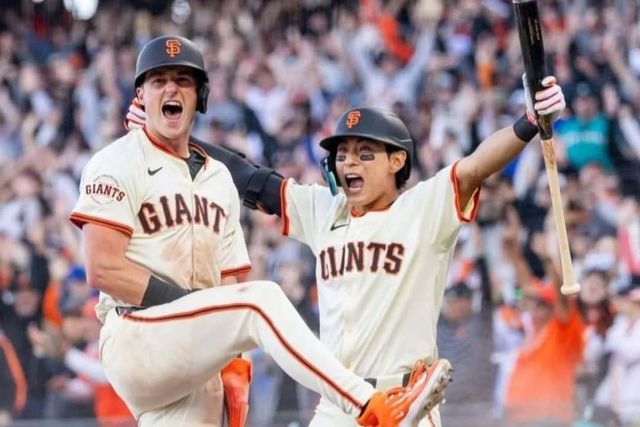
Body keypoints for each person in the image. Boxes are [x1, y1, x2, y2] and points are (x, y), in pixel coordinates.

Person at [125, 51, 566, 427]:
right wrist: (175, 140)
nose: (348, 162)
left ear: (397, 161)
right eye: (342, 154)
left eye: (364, 153)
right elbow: (252, 180)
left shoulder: (423, 208)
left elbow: (476, 166)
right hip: (338, 403)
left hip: (405, 399)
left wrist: (529, 121)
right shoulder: (325, 209)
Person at [69, 34, 451, 427]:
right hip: (136, 334)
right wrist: (194, 307)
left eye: (183, 81)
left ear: (200, 96)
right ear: (140, 95)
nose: (171, 89)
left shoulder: (218, 179)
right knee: (260, 300)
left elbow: (229, 285)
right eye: (158, 81)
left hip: (193, 353)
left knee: (241, 314)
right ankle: (373, 406)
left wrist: (235, 372)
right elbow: (103, 269)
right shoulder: (116, 161)